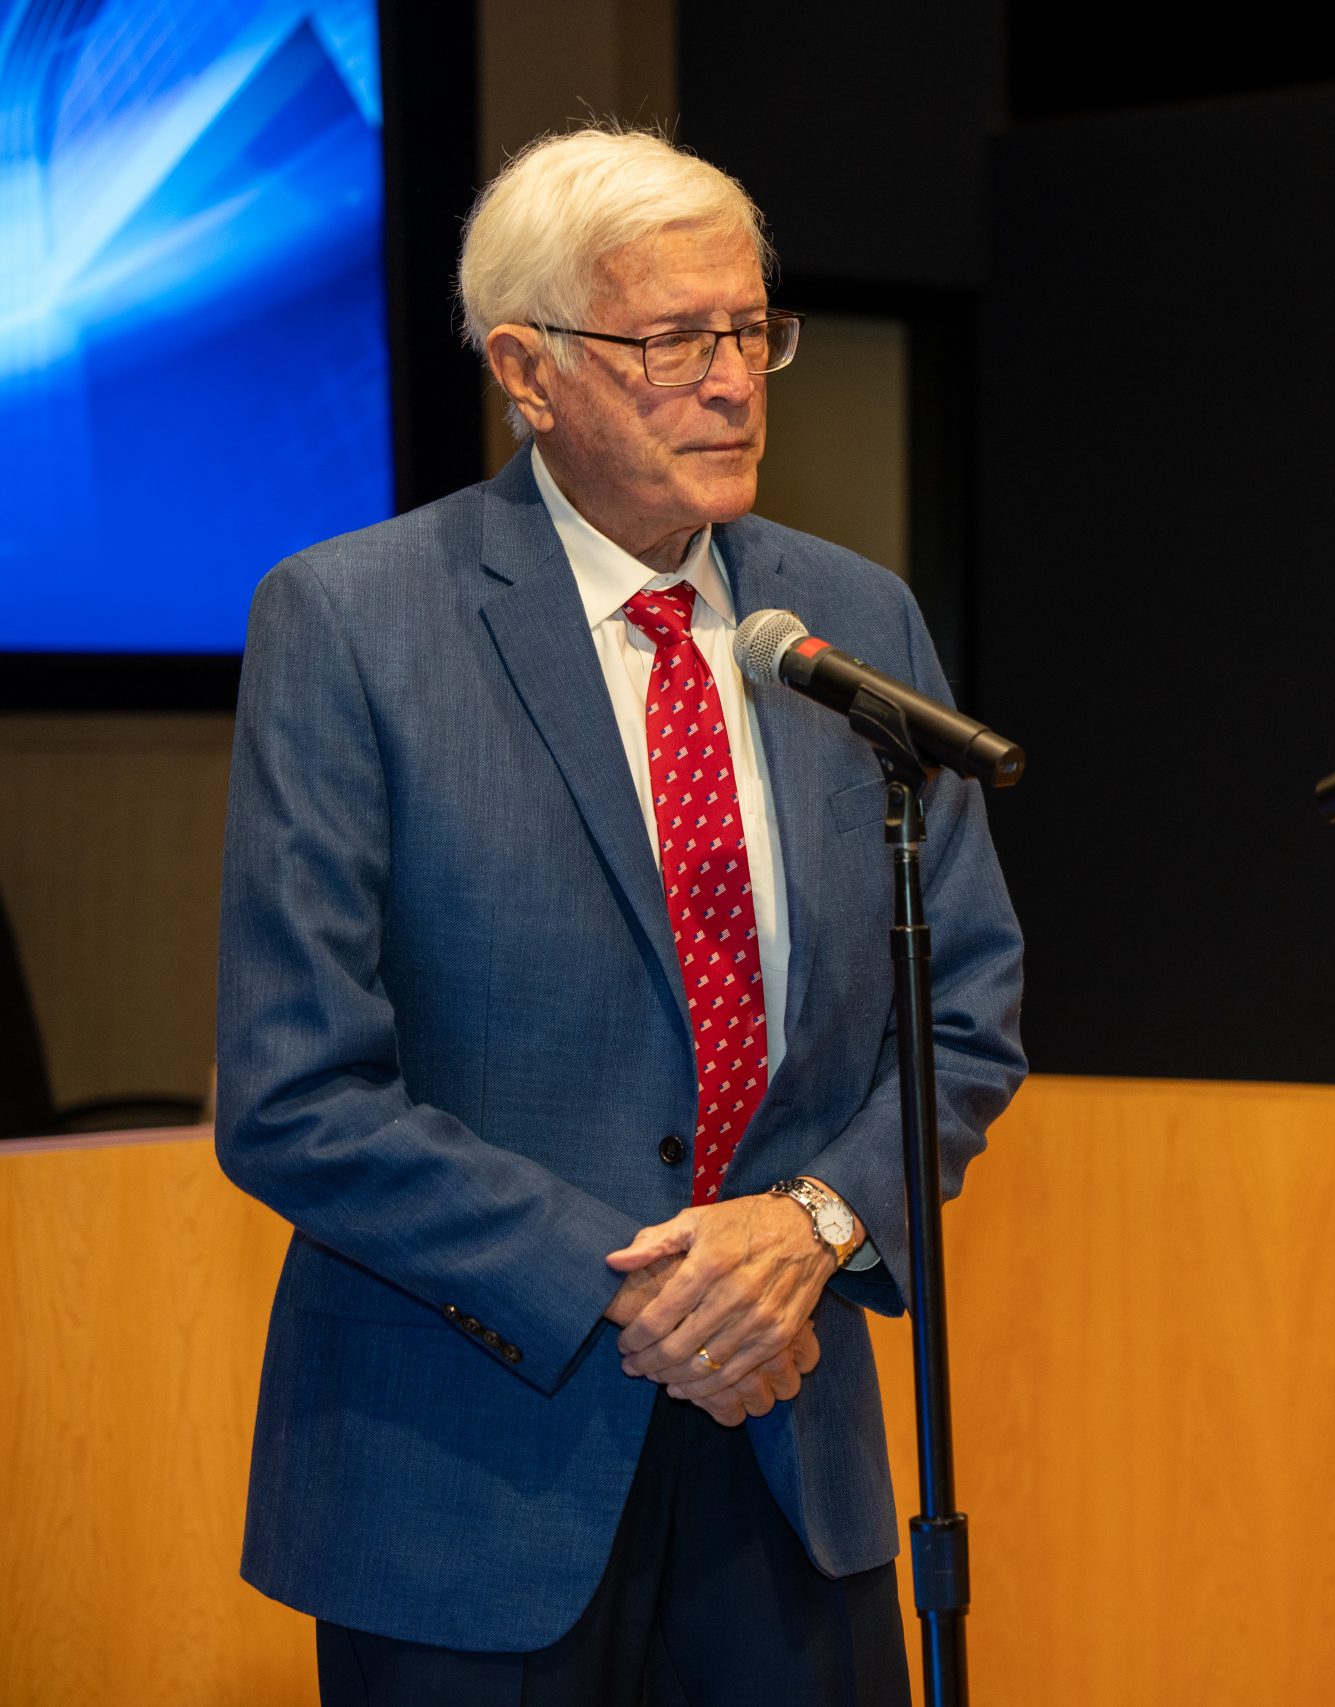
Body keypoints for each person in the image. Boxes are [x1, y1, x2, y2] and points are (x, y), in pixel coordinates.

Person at [215, 127, 1025, 1704]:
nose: (733, 380)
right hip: (464, 1473)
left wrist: (809, 1227)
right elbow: (296, 1094)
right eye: (673, 341)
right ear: (530, 371)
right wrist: (655, 1290)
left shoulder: (854, 624)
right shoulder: (353, 623)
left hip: (795, 1466)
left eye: (751, 330)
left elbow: (967, 1006)